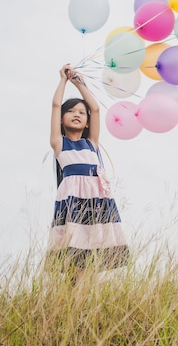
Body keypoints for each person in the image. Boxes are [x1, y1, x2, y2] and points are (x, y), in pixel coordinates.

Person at [46, 63, 129, 282]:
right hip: (73, 200)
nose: (77, 114)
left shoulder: (91, 143)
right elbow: (55, 105)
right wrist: (63, 80)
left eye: (81, 113)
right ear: (62, 119)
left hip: (97, 200)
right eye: (71, 111)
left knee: (92, 252)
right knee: (74, 249)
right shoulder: (59, 143)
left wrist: (79, 83)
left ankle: (83, 298)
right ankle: (73, 294)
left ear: (86, 123)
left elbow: (96, 109)